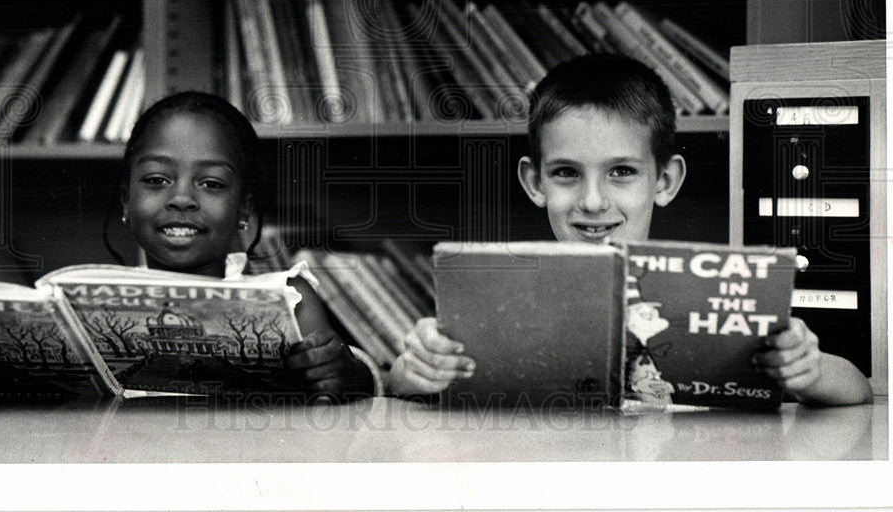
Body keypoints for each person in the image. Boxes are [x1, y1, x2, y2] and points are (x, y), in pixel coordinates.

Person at [387, 55, 873, 406]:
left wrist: (807, 369)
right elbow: (399, 387)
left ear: (664, 180)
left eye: (621, 171)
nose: (593, 201)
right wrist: (416, 370)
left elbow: (854, 386)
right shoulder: (496, 296)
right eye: (565, 173)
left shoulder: (715, 290)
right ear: (534, 182)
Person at [118, 91, 376, 402]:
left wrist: (351, 377)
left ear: (243, 208)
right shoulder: (72, 302)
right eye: (157, 179)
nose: (181, 199)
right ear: (126, 201)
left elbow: (336, 393)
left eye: (212, 183)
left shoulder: (292, 301)